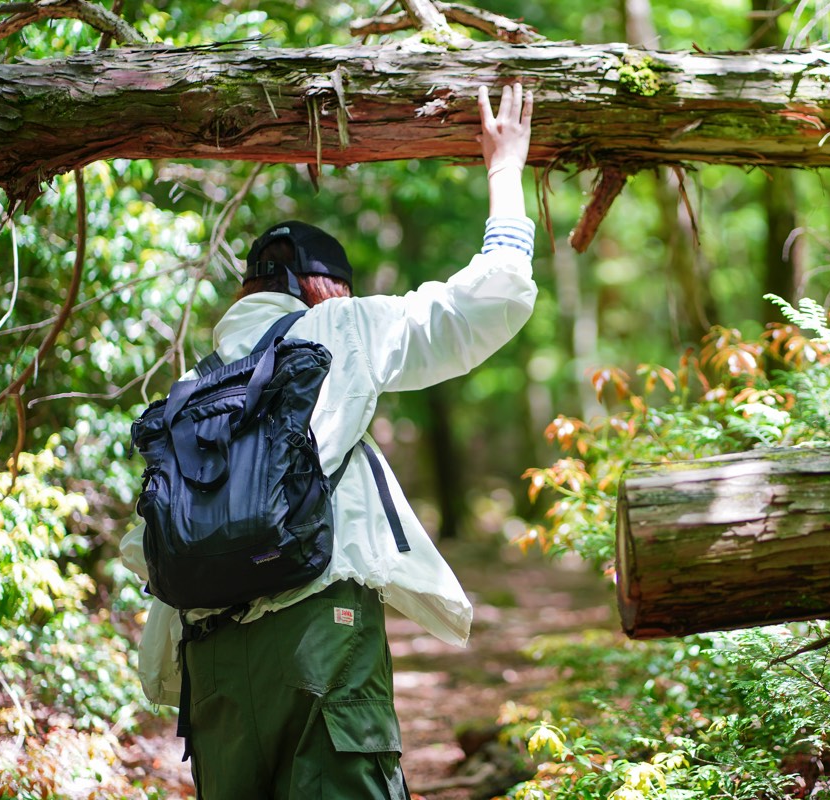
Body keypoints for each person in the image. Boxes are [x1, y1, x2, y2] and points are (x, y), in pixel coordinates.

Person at [120, 82, 537, 799]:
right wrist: (504, 171)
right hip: (319, 635)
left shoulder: (193, 386)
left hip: (212, 665)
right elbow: (488, 300)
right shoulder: (336, 328)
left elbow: (149, 546)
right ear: (321, 289)